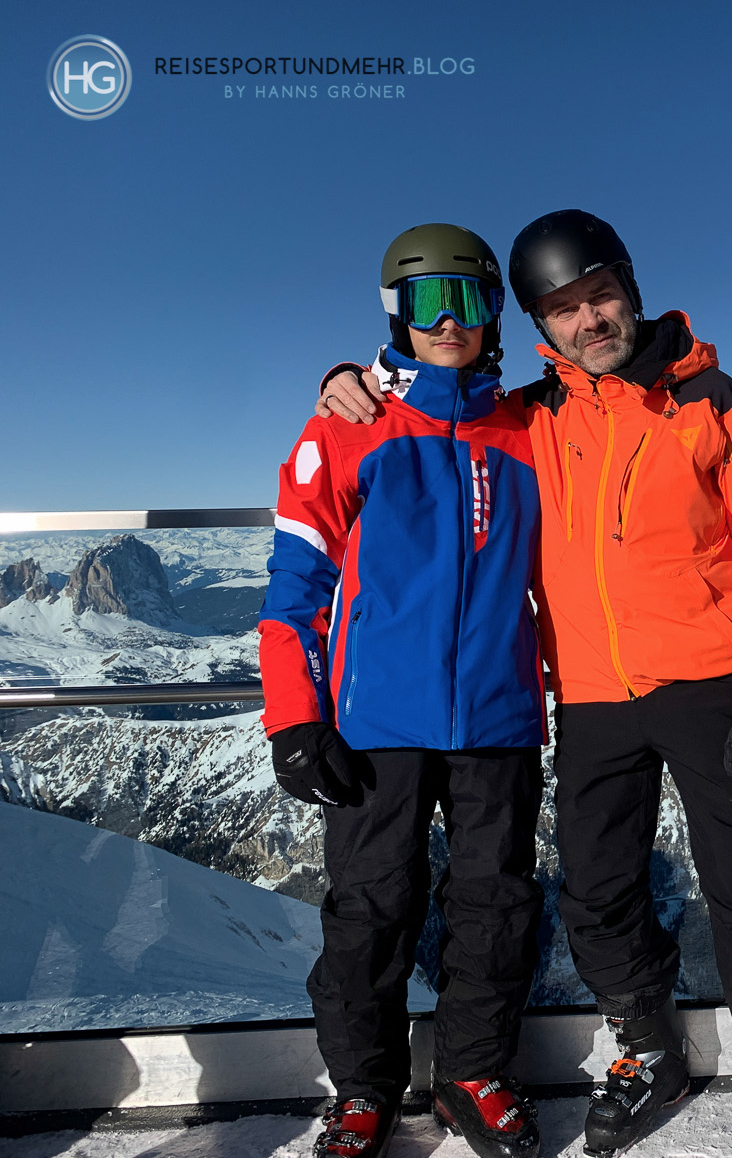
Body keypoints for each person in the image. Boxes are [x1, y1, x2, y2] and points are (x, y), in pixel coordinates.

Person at [318, 210, 732, 1158]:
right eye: (563, 309)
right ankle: (649, 1048)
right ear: (538, 325)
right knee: (598, 895)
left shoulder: (717, 402)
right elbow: (438, 404)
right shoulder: (533, 415)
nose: (587, 320)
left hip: (712, 681)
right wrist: (351, 378)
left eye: (599, 296)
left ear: (632, 291)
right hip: (594, 695)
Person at [261, 223, 545, 1158]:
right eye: (428, 302)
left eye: (468, 298)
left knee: (495, 906)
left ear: (495, 310)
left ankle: (471, 1073)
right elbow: (294, 587)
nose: (450, 319)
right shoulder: (347, 428)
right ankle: (364, 1090)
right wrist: (296, 717)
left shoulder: (532, 430)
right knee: (371, 910)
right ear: (398, 314)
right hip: (377, 720)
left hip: (498, 716)